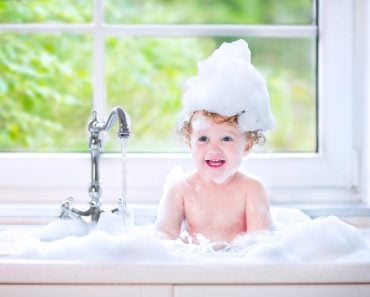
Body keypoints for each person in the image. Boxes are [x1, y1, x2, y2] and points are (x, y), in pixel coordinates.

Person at [155, 39, 275, 244]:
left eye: (227, 138)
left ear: (246, 146)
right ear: (189, 142)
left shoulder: (251, 189)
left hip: (236, 270)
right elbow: (164, 238)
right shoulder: (181, 189)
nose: (214, 148)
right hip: (195, 268)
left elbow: (260, 243)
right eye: (203, 138)